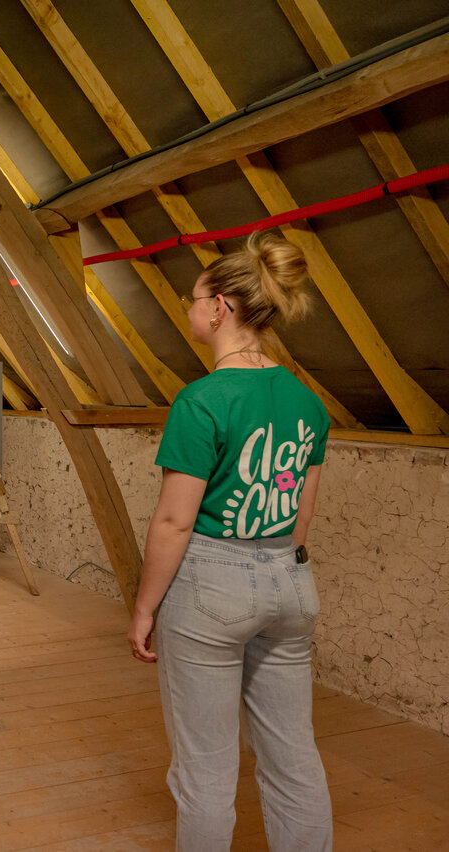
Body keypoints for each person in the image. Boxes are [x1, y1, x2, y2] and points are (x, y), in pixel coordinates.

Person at [127, 231, 334, 850]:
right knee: (294, 758)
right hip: (290, 580)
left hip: (212, 587)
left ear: (221, 307)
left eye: (194, 299)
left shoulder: (201, 401)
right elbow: (301, 515)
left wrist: (145, 608)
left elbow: (174, 522)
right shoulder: (308, 402)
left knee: (206, 773)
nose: (189, 310)